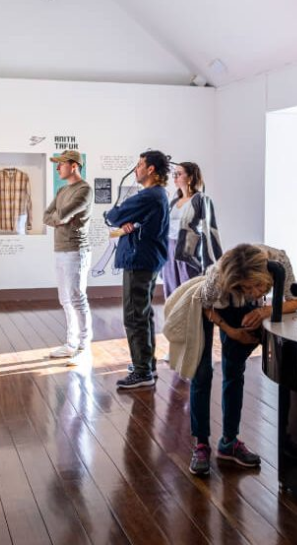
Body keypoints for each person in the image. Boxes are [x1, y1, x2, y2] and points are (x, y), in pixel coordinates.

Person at [188, 244, 297, 476]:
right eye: (249, 288)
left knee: (234, 370)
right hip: (209, 309)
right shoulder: (218, 276)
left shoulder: (279, 262)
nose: (256, 292)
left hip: (239, 304)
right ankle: (201, 444)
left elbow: (294, 300)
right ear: (238, 283)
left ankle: (229, 443)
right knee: (202, 372)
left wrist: (263, 311)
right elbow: (203, 304)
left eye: (258, 285)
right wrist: (230, 330)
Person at [105, 149, 171, 389]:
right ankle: (146, 364)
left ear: (151, 169)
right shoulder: (156, 195)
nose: (136, 168)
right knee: (142, 314)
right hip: (146, 259)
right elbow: (121, 218)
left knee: (134, 316)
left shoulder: (149, 196)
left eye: (140, 164)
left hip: (140, 260)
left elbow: (113, 216)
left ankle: (143, 371)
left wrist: (120, 217)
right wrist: (126, 220)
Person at [42, 150, 94, 364]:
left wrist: (60, 218)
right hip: (60, 248)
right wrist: (60, 219)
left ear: (73, 165)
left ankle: (84, 346)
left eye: (60, 164)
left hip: (76, 250)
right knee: (65, 299)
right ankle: (71, 343)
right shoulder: (63, 190)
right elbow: (48, 216)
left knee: (77, 297)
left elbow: (62, 215)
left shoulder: (85, 190)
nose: (57, 168)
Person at [163, 162, 222, 297]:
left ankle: (192, 318)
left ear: (190, 178)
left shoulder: (201, 200)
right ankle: (173, 318)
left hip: (188, 251)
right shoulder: (173, 202)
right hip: (169, 250)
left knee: (189, 292)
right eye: (174, 174)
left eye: (179, 174)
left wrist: (212, 262)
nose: (175, 177)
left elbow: (210, 230)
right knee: (172, 292)